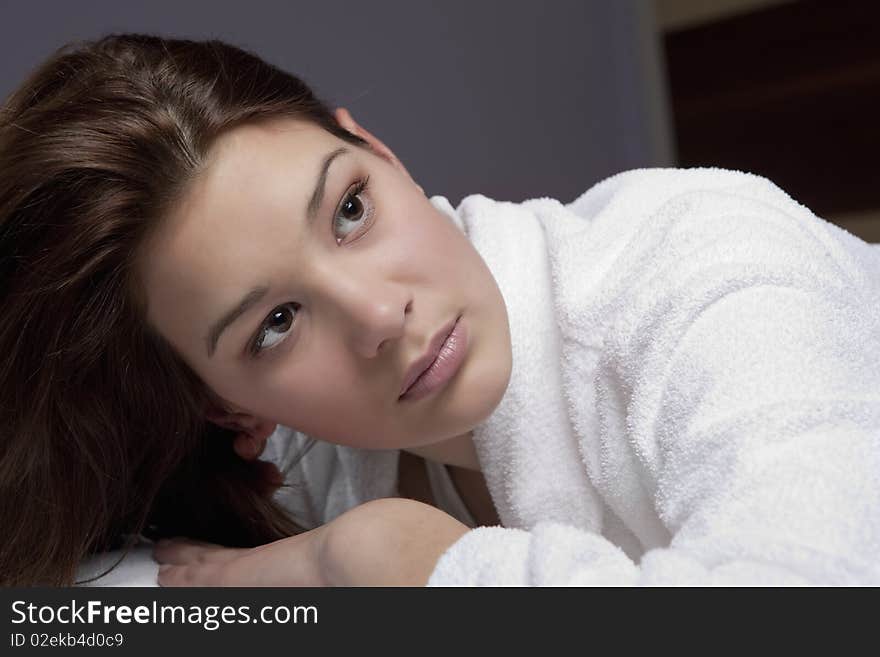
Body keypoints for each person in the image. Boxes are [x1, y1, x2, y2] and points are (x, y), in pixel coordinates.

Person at [2, 34, 878, 587]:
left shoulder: (702, 259)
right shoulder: (316, 465)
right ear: (227, 405)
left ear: (379, 151)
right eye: (276, 324)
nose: (380, 314)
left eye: (350, 208)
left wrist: (389, 561)